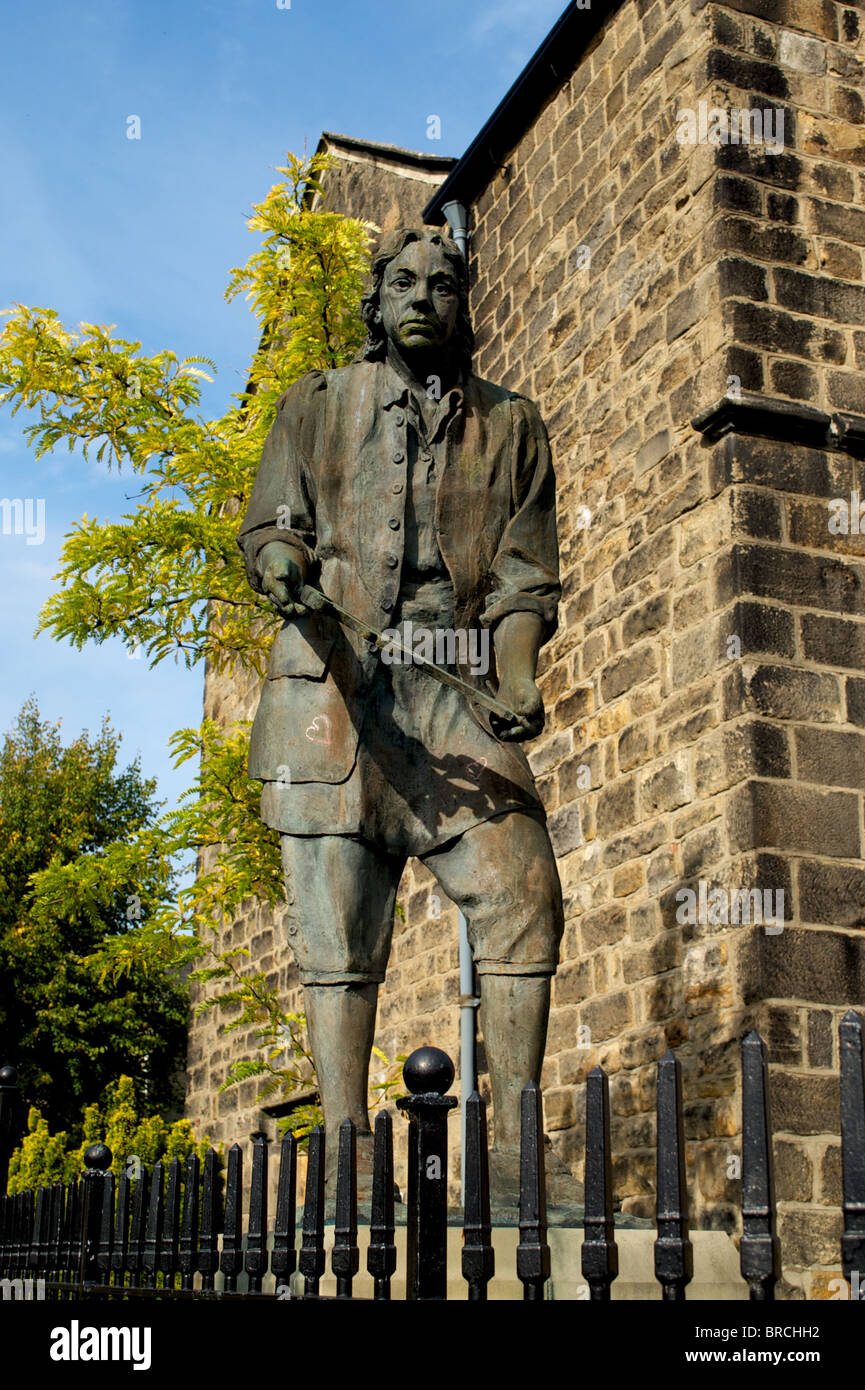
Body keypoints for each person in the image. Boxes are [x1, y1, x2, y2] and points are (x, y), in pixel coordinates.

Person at [238, 227, 567, 1204]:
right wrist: (283, 567)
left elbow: (522, 579)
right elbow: (271, 525)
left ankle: (513, 1167)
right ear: (376, 303)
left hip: (453, 688)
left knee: (523, 894)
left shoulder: (513, 428)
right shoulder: (315, 404)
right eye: (405, 283)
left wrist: (515, 675)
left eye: (446, 284)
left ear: (465, 306)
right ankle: (343, 1171)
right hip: (331, 684)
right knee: (338, 943)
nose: (425, 296)